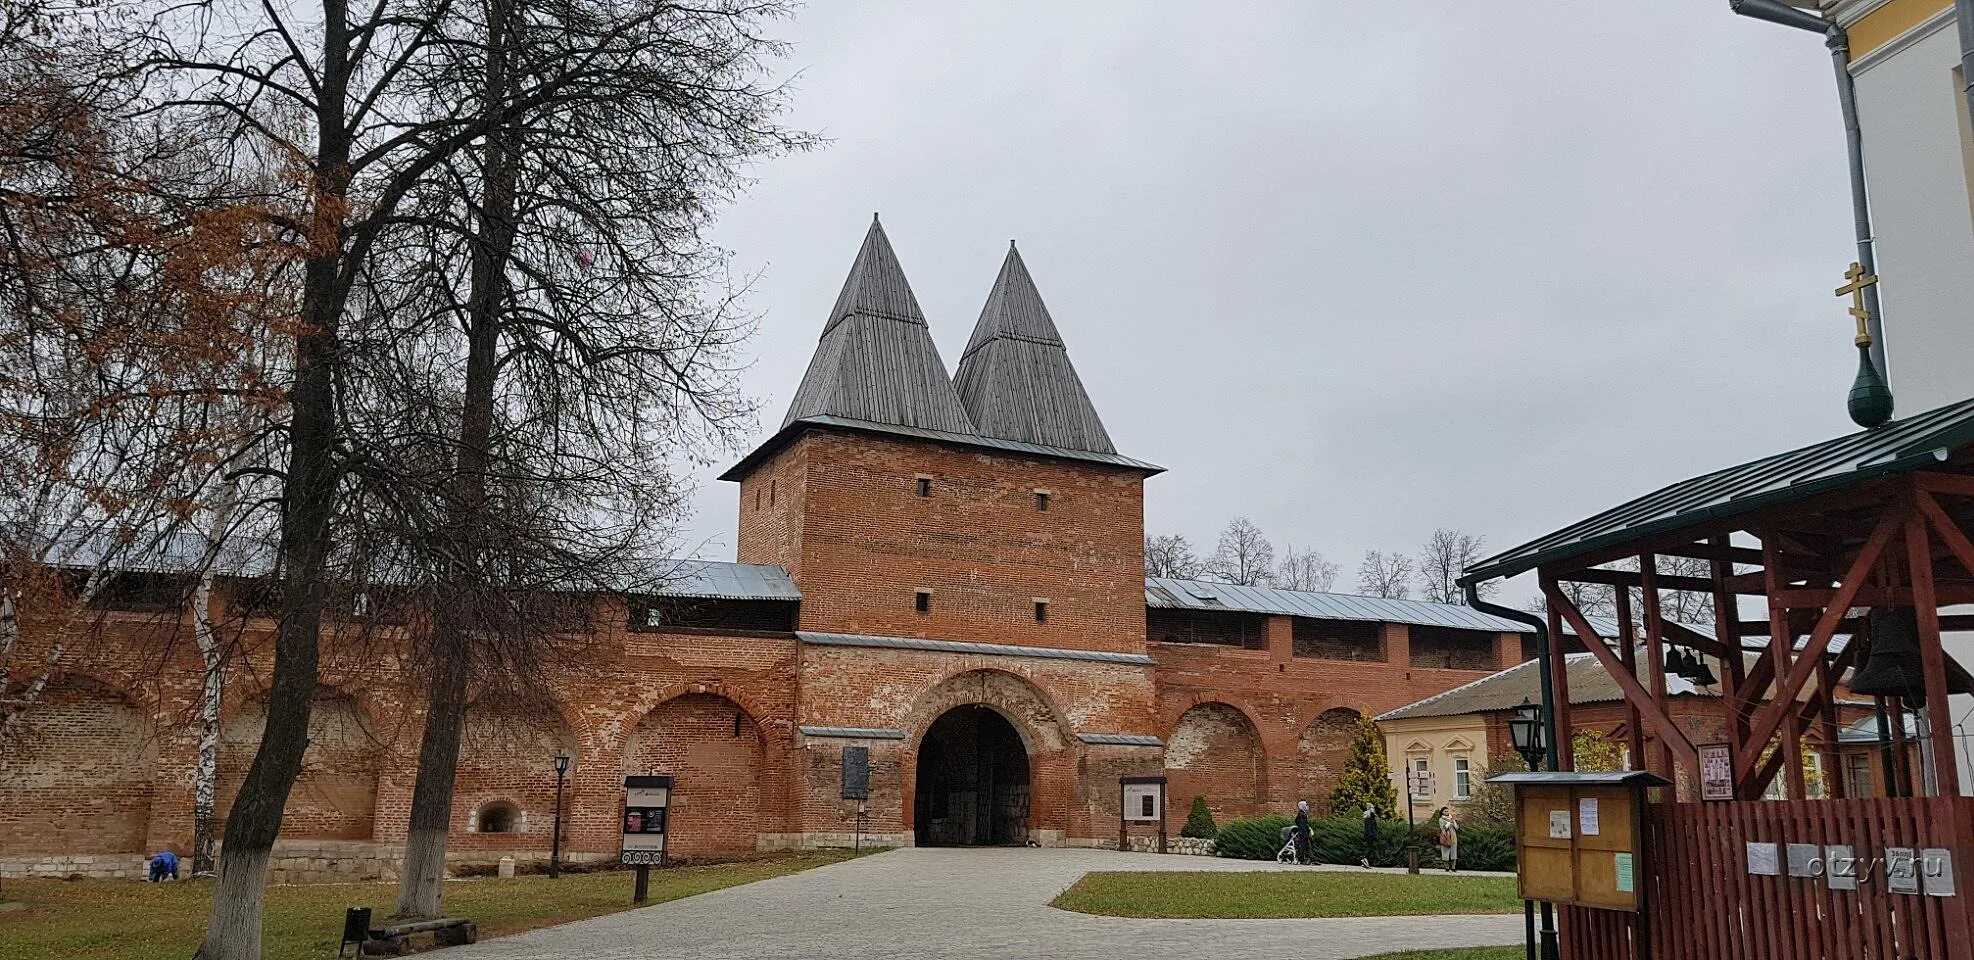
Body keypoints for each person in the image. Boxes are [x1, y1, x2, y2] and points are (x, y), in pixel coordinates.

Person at [1437, 807, 1461, 873]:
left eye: (1448, 811)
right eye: (1445, 811)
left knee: (1454, 852)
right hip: (1445, 837)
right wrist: (1448, 823)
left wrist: (1453, 821)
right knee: (1445, 853)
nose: (1447, 812)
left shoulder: (1451, 818)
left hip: (1453, 837)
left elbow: (1457, 828)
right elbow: (1443, 828)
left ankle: (1453, 867)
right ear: (1442, 812)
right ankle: (1446, 867)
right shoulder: (1441, 819)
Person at [1292, 800, 1313, 865]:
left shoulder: (1300, 813)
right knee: (1306, 847)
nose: (1307, 806)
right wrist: (1306, 832)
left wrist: (1307, 827)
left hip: (1301, 833)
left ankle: (1302, 859)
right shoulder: (1303, 815)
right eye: (1306, 805)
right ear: (1303, 806)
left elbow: (1296, 820)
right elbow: (1303, 825)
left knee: (1303, 847)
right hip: (1304, 834)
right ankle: (1308, 859)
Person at [1360, 801, 1377, 868]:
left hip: (1370, 835)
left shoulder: (1371, 817)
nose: (1373, 809)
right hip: (1370, 835)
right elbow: (1369, 828)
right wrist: (1372, 835)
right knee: (1370, 848)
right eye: (1372, 807)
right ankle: (1364, 859)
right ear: (1369, 808)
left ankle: (1365, 861)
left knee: (1370, 848)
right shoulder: (1368, 817)